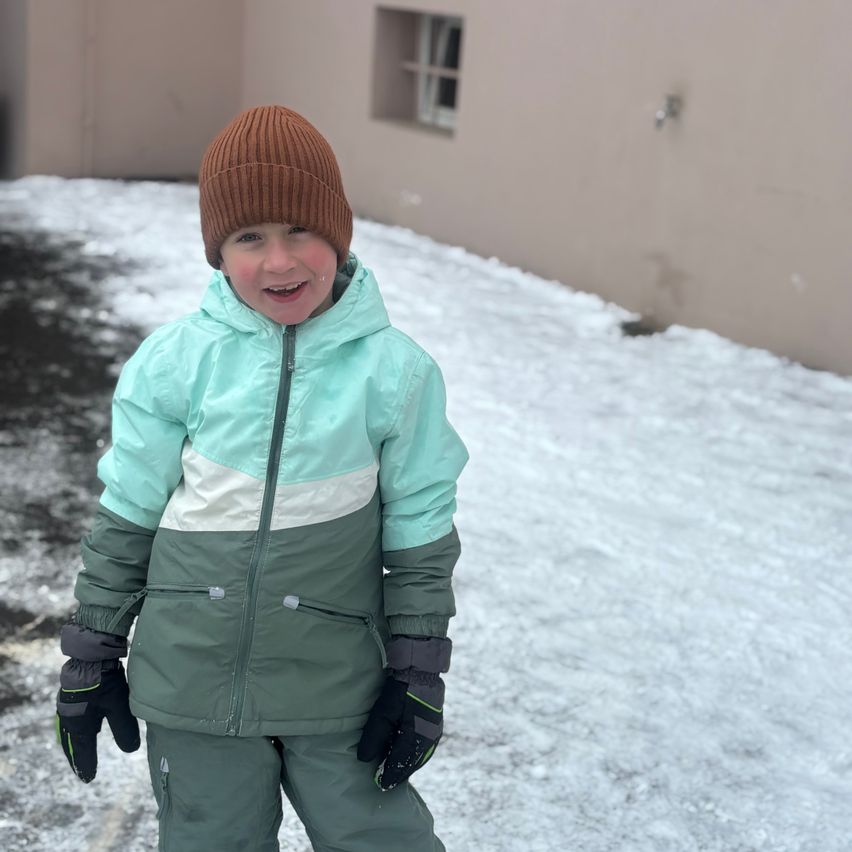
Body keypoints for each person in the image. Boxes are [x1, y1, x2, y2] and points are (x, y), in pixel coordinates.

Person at [55, 105, 468, 852]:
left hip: (340, 690)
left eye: (301, 231)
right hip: (194, 691)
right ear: (218, 251)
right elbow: (127, 515)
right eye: (250, 238)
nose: (280, 263)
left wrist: (417, 670)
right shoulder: (176, 363)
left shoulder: (396, 374)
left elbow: (420, 533)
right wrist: (92, 650)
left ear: (337, 235)